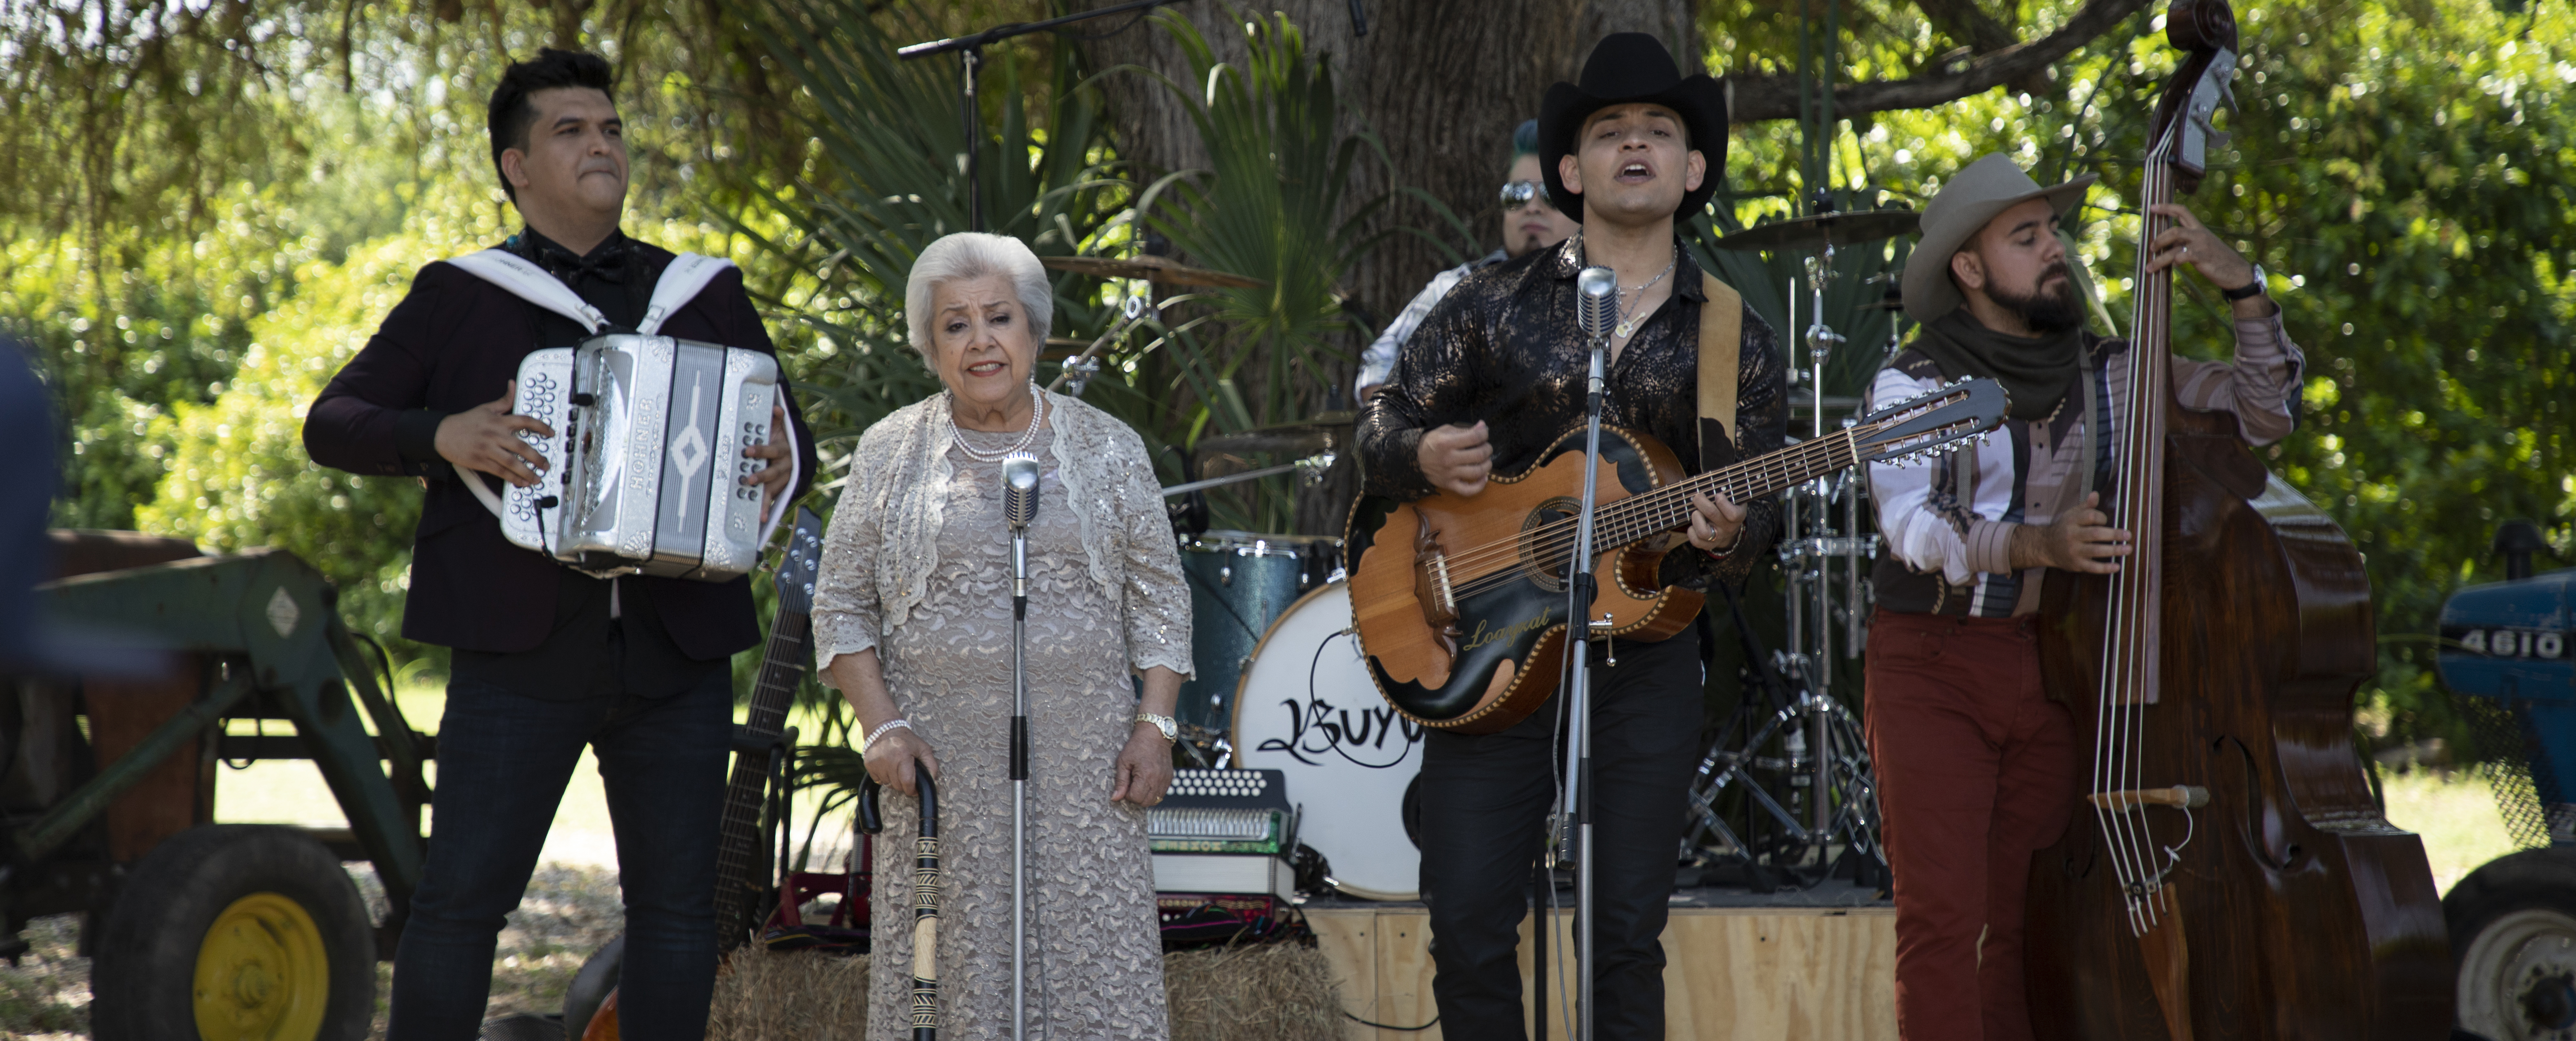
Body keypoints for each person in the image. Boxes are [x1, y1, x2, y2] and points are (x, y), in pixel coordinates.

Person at [302, 49, 817, 1040]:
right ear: (517, 166)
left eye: (612, 127)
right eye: (571, 130)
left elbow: (787, 439)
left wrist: (765, 473)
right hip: (517, 651)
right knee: (459, 907)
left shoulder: (700, 290)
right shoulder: (461, 293)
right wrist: (440, 434)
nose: (601, 143)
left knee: (675, 914)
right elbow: (335, 420)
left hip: (678, 651)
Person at [1355, 33, 1785, 1038]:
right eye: (1608, 131)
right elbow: (1377, 425)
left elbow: (1765, 503)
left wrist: (1732, 529)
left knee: (1624, 934)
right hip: (1488, 650)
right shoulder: (1488, 304)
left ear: (1692, 170)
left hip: (1644, 659)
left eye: (1657, 130)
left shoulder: (1732, 334)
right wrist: (1422, 458)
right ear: (1567, 169)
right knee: (1465, 924)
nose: (1633, 144)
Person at [1861, 153, 2299, 1041]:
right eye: (2026, 236)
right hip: (1932, 663)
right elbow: (1916, 530)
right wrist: (2036, 544)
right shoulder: (1912, 383)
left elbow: (2265, 417)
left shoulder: (2114, 370)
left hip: (2066, 668)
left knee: (2029, 920)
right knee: (1944, 920)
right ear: (1971, 270)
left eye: (2053, 229)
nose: (2054, 248)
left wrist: (2242, 287)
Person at [812, 231, 1189, 1039]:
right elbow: (840, 603)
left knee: (1092, 980)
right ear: (928, 345)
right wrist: (881, 726)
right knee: (957, 986)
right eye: (956, 324)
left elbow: (1161, 596)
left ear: (1034, 331)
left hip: (1088, 769)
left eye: (999, 318)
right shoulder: (890, 451)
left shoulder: (1108, 447)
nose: (981, 340)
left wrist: (1154, 724)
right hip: (941, 770)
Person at [1353, 118, 1581, 401]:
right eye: (1517, 194)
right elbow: (1378, 369)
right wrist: (1423, 440)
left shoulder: (1611, 290)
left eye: (1550, 195)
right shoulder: (1454, 289)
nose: (1532, 208)